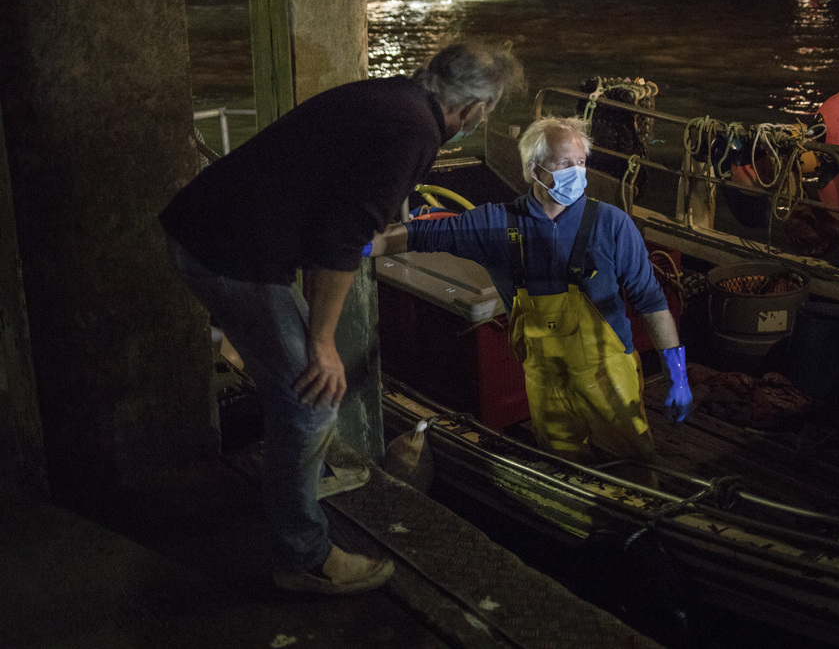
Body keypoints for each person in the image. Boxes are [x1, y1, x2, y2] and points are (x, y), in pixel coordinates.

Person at [159, 41, 523, 595]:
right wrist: (323, 341)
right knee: (312, 402)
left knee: (291, 381)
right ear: (474, 108)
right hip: (230, 254)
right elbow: (339, 240)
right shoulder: (416, 132)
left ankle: (305, 477)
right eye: (488, 110)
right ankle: (301, 557)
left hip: (214, 228)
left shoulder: (395, 96)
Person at [369, 116, 692, 472]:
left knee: (635, 469)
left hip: (610, 377)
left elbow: (652, 301)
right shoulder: (493, 225)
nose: (577, 173)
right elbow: (417, 235)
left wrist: (677, 376)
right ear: (532, 169)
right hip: (545, 383)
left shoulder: (613, 225)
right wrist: (354, 245)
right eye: (564, 163)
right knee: (564, 471)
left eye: (582, 163)